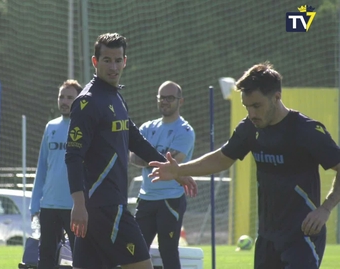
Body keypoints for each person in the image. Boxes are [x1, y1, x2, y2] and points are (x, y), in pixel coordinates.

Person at [149, 62, 340, 269]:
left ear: (277, 97)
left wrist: (325, 208)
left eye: (256, 106)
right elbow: (222, 158)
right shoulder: (250, 127)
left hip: (303, 236)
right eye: (246, 107)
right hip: (267, 238)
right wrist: (179, 170)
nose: (251, 113)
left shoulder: (306, 130)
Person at [65, 33, 197, 269]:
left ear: (125, 61)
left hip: (104, 206)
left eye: (118, 60)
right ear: (95, 62)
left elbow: (137, 141)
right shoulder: (88, 101)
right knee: (142, 265)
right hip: (104, 206)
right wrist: (79, 204)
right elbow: (73, 156)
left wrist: (176, 172)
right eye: (107, 60)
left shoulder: (116, 97)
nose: (113, 67)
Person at [130, 81, 195, 269]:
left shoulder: (185, 131)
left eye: (170, 98)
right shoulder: (146, 127)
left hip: (170, 199)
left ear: (180, 101)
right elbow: (132, 157)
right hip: (146, 198)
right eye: (162, 97)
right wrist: (154, 159)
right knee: (134, 252)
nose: (165, 101)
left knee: (168, 252)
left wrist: (146, 157)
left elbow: (172, 163)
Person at [30, 79, 82, 268]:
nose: (64, 101)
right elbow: (42, 167)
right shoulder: (50, 127)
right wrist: (35, 203)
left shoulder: (86, 128)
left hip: (75, 207)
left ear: (80, 100)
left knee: (81, 258)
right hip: (49, 205)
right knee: (45, 259)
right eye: (61, 96)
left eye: (70, 97)